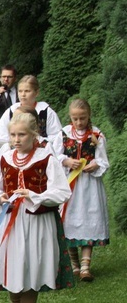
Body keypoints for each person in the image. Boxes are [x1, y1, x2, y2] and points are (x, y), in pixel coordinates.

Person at [0, 112, 73, 303]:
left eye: (21, 134)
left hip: (37, 223)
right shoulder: (4, 157)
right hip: (11, 223)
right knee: (14, 267)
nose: (16, 139)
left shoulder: (47, 158)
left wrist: (35, 195)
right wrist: (0, 198)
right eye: (13, 134)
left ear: (34, 134)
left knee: (31, 268)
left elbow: (63, 192)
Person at [57, 98, 109, 281]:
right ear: (70, 117)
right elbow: (55, 155)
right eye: (75, 118)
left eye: (82, 118)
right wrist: (67, 161)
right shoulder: (63, 133)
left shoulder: (97, 135)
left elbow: (103, 160)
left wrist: (95, 165)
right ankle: (74, 264)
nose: (79, 122)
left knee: (88, 218)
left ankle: (86, 265)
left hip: (89, 187)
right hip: (69, 184)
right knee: (69, 220)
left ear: (89, 116)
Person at [0, 75, 62, 151]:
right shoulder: (12, 111)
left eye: (27, 91)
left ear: (36, 92)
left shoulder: (45, 111)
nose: (23, 95)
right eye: (20, 91)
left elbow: (57, 137)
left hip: (41, 153)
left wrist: (36, 141)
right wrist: (16, 141)